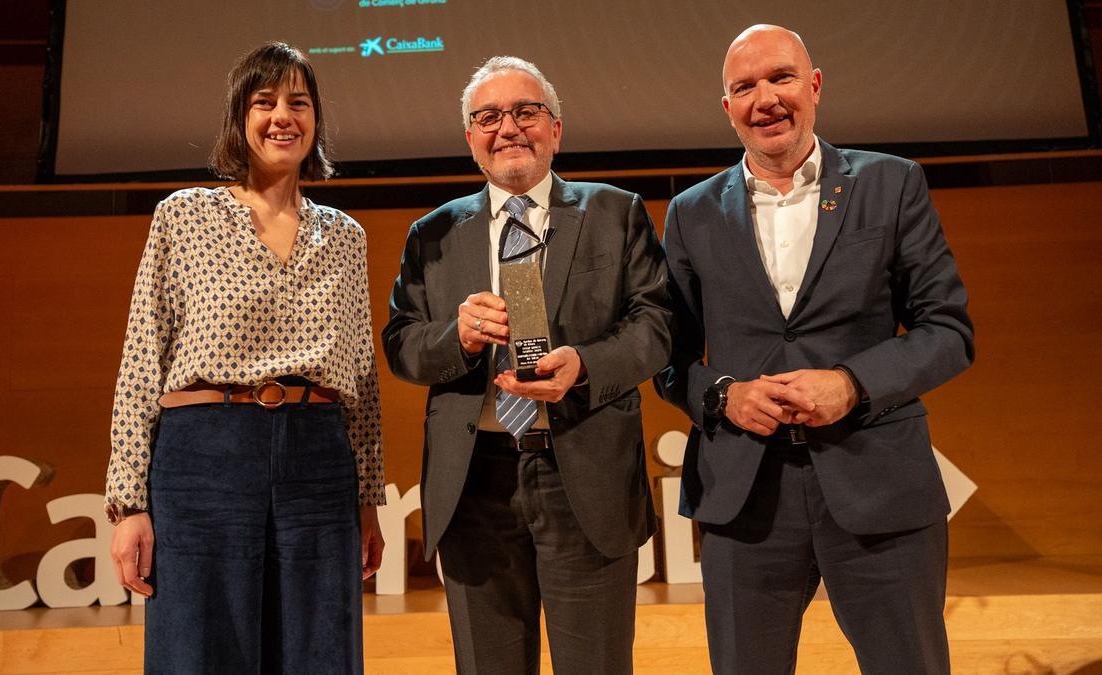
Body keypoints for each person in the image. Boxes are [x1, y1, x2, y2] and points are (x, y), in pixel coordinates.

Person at [657, 25, 974, 675]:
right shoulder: (691, 212)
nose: (765, 98)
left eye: (780, 78)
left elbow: (949, 329)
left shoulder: (892, 184)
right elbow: (667, 356)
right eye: (744, 87)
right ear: (727, 108)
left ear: (815, 86)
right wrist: (723, 395)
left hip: (879, 484)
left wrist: (852, 383)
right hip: (745, 497)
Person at [382, 56, 671, 674]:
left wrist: (586, 364)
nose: (507, 127)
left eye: (525, 111)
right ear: (471, 140)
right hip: (475, 485)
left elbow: (658, 324)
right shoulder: (431, 234)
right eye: (488, 117)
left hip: (585, 472)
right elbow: (402, 342)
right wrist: (455, 338)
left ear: (556, 128)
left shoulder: (615, 213)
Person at [104, 42, 385, 673]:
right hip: (204, 457)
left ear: (316, 121)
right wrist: (129, 505)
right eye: (265, 102)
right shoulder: (184, 216)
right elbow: (140, 360)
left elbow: (361, 382)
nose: (282, 116)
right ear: (240, 118)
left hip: (317, 462)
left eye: (299, 102)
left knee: (320, 652)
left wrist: (367, 498)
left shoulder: (345, 237)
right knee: (199, 652)